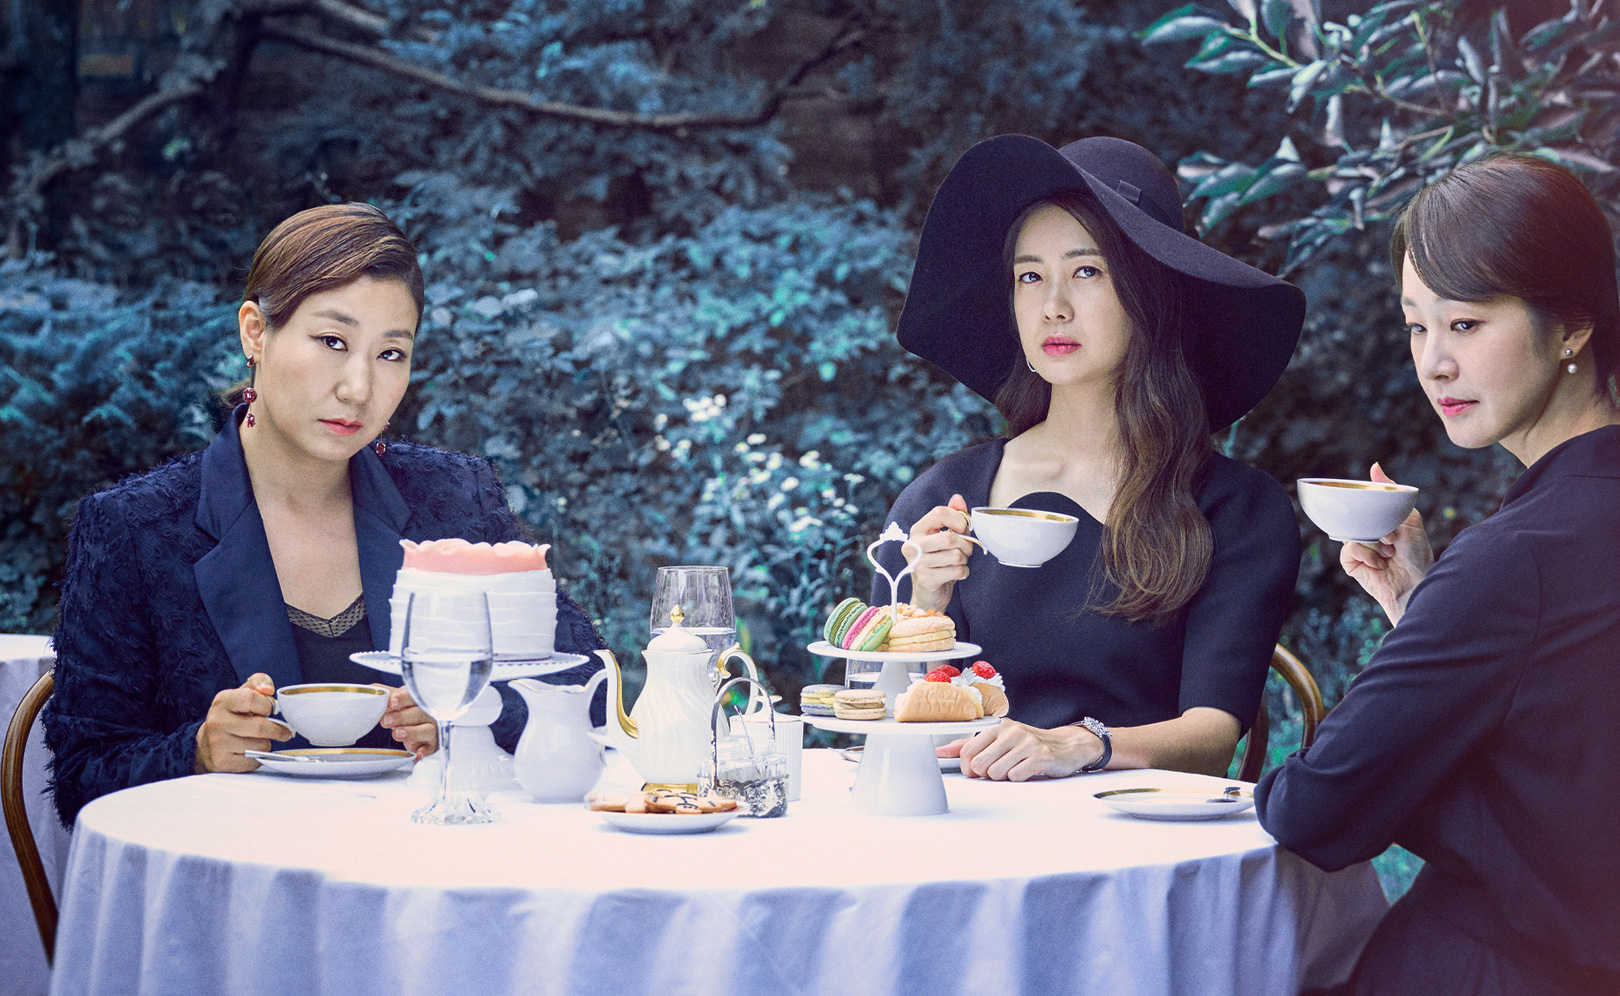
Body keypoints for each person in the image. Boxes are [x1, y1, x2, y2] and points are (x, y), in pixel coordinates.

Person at [43, 203, 603, 826]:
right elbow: (81, 777)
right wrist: (196, 750)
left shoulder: (453, 497)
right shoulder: (135, 528)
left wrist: (473, 716)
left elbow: (590, 687)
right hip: (240, 869)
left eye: (391, 353)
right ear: (255, 332)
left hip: (433, 864)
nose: (358, 388)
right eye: (333, 342)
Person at [1256, 152, 1620, 995]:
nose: (1434, 363)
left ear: (1571, 325)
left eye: (1465, 323)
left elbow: (1312, 808)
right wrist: (1422, 606)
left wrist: (1445, 610)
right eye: (1417, 327)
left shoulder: (1517, 559)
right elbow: (1558, 762)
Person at [873, 135, 1306, 781]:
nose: (1053, 306)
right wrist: (924, 603)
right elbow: (880, 720)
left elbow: (1213, 737)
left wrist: (1079, 746)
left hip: (1137, 826)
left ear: (1149, 294)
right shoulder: (942, 500)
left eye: (1086, 272)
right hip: (969, 823)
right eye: (1030, 276)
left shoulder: (1235, 508)